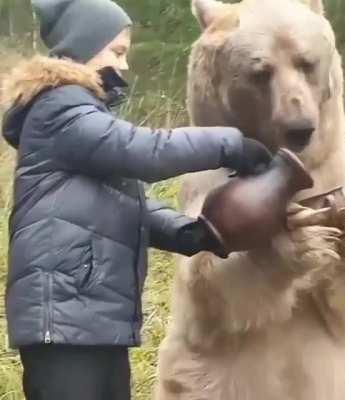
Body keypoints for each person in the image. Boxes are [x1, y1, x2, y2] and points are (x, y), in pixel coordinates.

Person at [0, 0, 273, 399]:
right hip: (62, 317)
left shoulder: (86, 119)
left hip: (93, 314)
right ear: (83, 44)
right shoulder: (59, 107)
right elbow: (146, 151)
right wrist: (230, 144)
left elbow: (128, 201)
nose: (123, 67)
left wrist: (190, 234)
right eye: (117, 51)